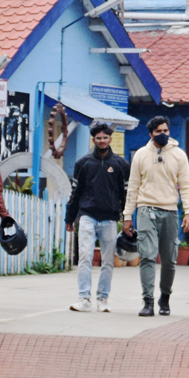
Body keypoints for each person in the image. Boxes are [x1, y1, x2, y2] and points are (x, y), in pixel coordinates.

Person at [122, 116, 189, 316]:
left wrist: (188, 212)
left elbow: (186, 186)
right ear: (150, 134)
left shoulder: (179, 155)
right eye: (158, 131)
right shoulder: (141, 155)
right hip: (146, 210)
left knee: (170, 259)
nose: (162, 134)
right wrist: (128, 216)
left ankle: (165, 298)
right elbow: (133, 187)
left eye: (165, 130)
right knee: (147, 256)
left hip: (170, 211)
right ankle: (148, 301)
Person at [64, 122, 129, 312]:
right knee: (85, 257)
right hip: (87, 216)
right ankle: (83, 299)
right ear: (94, 140)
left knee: (108, 261)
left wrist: (127, 219)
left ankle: (103, 299)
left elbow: (126, 195)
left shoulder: (120, 164)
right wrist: (70, 219)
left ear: (110, 139)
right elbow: (75, 193)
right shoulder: (83, 164)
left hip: (109, 218)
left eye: (105, 138)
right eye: (98, 138)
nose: (102, 141)